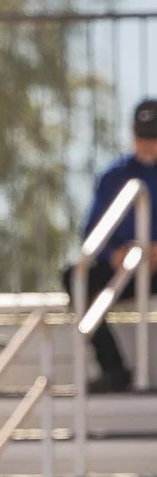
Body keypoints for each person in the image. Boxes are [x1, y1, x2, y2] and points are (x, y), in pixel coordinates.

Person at [77, 98, 157, 395]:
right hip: (128, 269)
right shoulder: (115, 176)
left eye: (153, 138)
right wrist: (114, 255)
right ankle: (113, 369)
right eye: (142, 138)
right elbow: (91, 233)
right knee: (77, 278)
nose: (147, 145)